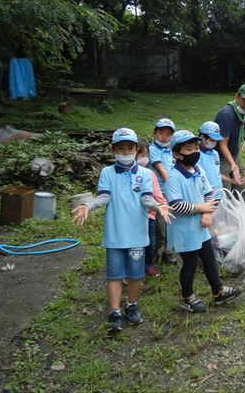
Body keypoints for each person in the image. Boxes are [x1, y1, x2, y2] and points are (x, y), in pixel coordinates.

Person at [72, 128, 174, 332]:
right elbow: (104, 197)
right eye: (121, 148)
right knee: (114, 275)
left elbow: (146, 199)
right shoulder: (107, 173)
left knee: (136, 275)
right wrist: (87, 206)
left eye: (130, 148)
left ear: (137, 149)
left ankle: (132, 306)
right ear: (113, 150)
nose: (125, 152)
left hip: (137, 236)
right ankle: (114, 311)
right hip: (115, 235)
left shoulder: (145, 174)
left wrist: (158, 206)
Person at [165, 129, 244, 313]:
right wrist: (201, 208)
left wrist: (208, 212)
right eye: (188, 149)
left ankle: (218, 291)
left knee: (209, 259)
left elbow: (209, 192)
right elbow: (176, 204)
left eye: (195, 148)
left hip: (201, 228)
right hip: (185, 230)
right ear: (177, 154)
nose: (194, 152)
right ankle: (187, 296)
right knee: (190, 263)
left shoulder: (198, 170)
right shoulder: (174, 177)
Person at [214, 84, 245, 193]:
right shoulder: (226, 114)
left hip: (234, 155)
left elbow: (244, 130)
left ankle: (242, 209)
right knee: (225, 193)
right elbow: (222, 144)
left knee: (242, 191)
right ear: (237, 97)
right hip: (221, 158)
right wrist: (233, 165)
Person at [149, 118, 177, 265]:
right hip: (158, 193)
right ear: (155, 134)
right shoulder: (153, 149)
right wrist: (173, 183)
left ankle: (168, 251)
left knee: (170, 222)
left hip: (171, 192)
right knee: (159, 225)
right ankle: (155, 252)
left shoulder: (173, 150)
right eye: (161, 133)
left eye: (168, 134)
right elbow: (160, 168)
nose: (164, 136)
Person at [136, 142, 165, 278]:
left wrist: (164, 206)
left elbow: (157, 194)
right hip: (133, 216)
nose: (144, 158)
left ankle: (148, 265)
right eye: (141, 155)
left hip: (150, 215)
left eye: (146, 155)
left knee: (150, 243)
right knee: (134, 245)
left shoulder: (150, 173)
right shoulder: (127, 174)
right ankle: (132, 268)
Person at [198, 121, 232, 201]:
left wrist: (231, 180)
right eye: (211, 140)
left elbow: (216, 173)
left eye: (215, 140)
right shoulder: (197, 155)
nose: (214, 142)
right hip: (206, 197)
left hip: (218, 195)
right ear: (202, 137)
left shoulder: (215, 154)